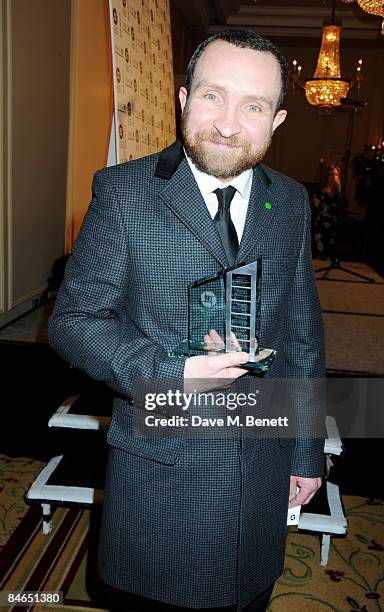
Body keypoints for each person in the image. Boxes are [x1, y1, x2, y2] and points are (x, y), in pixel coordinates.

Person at [48, 30, 325, 612]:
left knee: (248, 596)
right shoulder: (123, 193)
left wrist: (305, 450)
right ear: (182, 98)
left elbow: (300, 329)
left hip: (261, 458)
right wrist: (171, 371)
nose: (227, 124)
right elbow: (75, 321)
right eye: (211, 96)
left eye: (252, 106)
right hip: (162, 463)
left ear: (275, 121)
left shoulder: (291, 202)